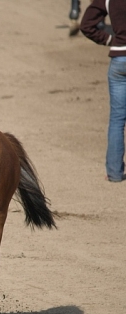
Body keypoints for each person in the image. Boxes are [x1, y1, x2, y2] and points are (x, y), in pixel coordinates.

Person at [81, 0, 126, 182]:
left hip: (119, 60)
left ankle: (114, 173)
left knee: (117, 119)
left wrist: (110, 40)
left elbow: (86, 25)